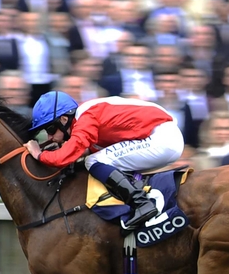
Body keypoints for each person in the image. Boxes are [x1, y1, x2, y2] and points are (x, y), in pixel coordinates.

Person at [25, 91, 185, 230]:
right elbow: (95, 147)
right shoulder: (86, 115)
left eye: (50, 130)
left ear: (64, 120)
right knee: (96, 159)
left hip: (162, 138)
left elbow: (62, 158)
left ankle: (141, 203)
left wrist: (39, 154)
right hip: (162, 137)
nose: (50, 137)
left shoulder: (86, 117)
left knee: (93, 161)